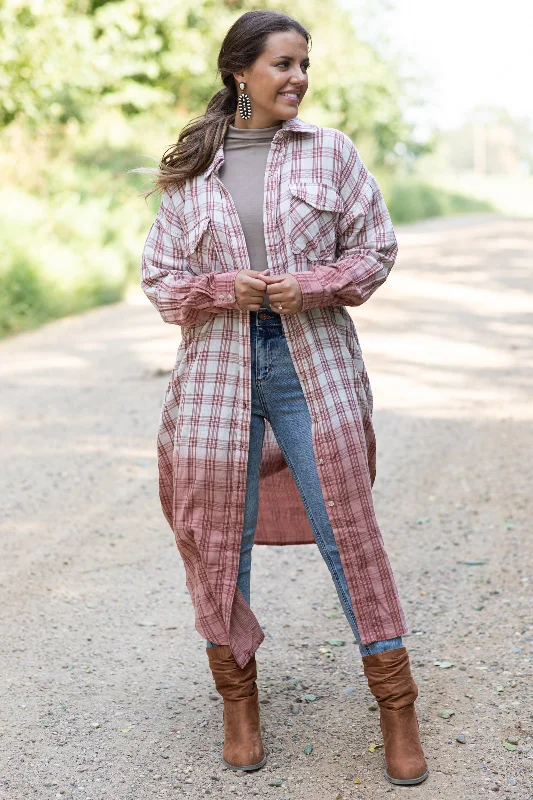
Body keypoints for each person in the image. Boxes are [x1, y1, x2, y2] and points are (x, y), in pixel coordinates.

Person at [135, 9, 428, 787]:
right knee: (213, 535)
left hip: (314, 360)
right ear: (240, 72)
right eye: (282, 64)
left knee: (348, 529)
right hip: (214, 369)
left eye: (303, 63)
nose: (297, 77)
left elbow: (375, 250)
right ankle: (238, 705)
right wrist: (223, 287)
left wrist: (312, 285)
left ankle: (396, 705)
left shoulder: (331, 152)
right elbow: (161, 280)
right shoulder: (194, 165)